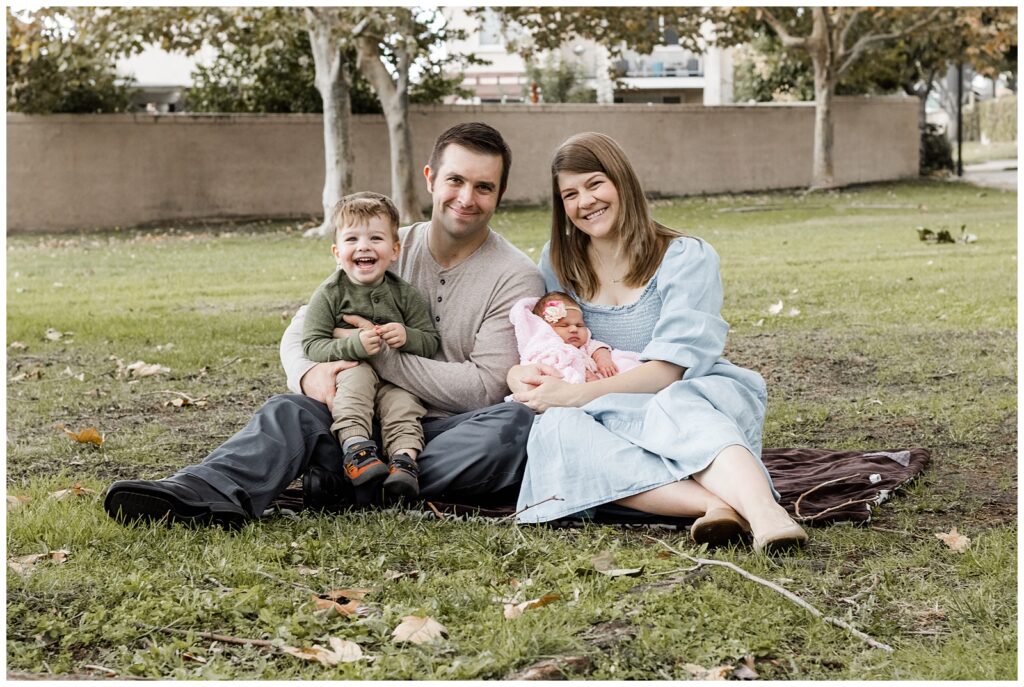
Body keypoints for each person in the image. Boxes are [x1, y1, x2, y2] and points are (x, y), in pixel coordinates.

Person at [105, 122, 543, 527]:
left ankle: (347, 484)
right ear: (430, 178)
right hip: (357, 420)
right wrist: (309, 371)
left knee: (512, 428)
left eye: (483, 187)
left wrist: (373, 351)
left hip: (446, 434)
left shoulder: (514, 275)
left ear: (500, 195)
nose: (467, 198)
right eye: (456, 180)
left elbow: (484, 387)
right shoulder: (382, 245)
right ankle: (200, 492)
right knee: (288, 410)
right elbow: (303, 327)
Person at [507, 132, 808, 554]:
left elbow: (671, 370)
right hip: (602, 405)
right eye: (569, 194)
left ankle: (765, 515)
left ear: (622, 181)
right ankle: (715, 504)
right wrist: (519, 371)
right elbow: (549, 339)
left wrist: (577, 394)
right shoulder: (559, 262)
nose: (585, 201)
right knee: (558, 430)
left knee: (676, 406)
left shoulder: (685, 256)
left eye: (595, 184)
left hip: (683, 392)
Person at [301, 192, 440, 502]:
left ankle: (404, 463)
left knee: (404, 403)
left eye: (375, 238)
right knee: (354, 381)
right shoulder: (330, 294)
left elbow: (430, 341)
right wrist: (352, 345)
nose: (363, 246)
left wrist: (407, 336)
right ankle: (357, 451)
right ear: (337, 252)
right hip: (354, 372)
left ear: (394, 250)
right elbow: (312, 344)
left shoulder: (405, 295)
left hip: (396, 379)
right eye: (352, 239)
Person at [508, 291, 640, 385]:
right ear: (546, 329)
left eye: (579, 325)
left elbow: (598, 348)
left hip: (597, 387)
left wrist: (604, 361)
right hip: (564, 388)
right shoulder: (545, 349)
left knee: (626, 364)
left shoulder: (585, 345)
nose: (573, 329)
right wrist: (585, 375)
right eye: (563, 325)